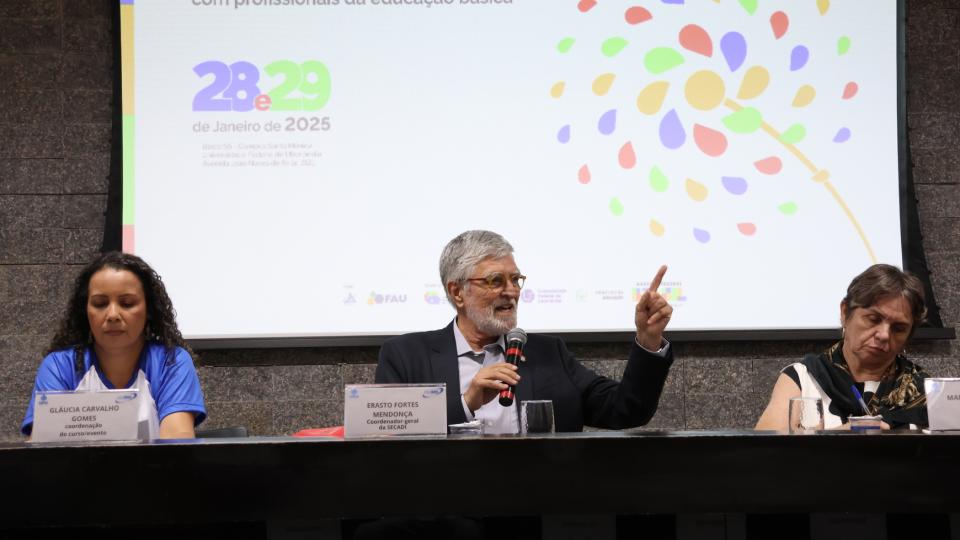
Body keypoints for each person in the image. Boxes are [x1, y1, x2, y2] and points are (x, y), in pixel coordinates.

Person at [375, 230, 675, 433]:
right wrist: (467, 402)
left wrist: (649, 341)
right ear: (457, 292)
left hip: (536, 509)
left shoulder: (548, 353)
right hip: (448, 513)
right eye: (496, 281)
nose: (512, 292)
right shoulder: (406, 356)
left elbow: (625, 409)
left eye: (515, 280)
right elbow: (391, 437)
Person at [21, 251, 206, 439]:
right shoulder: (59, 366)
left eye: (127, 303)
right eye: (100, 304)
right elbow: (44, 452)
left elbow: (177, 448)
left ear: (148, 309)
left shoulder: (172, 361)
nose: (112, 315)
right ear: (85, 311)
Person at [756, 264, 929, 430]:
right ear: (845, 313)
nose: (884, 334)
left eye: (898, 328)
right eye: (873, 319)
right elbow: (763, 452)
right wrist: (838, 437)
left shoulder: (926, 392)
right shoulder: (803, 379)